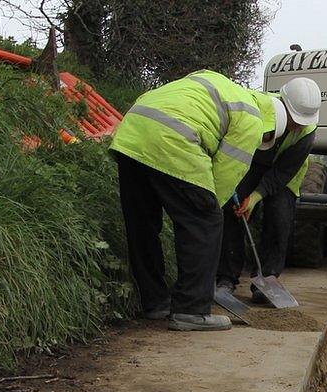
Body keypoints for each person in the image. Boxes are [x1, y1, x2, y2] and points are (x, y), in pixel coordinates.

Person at [109, 69, 276, 331]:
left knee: (143, 224)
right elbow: (219, 183)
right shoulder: (253, 120)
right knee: (206, 221)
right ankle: (192, 309)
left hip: (132, 133)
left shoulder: (222, 87)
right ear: (271, 127)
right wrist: (207, 229)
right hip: (172, 137)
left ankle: (155, 302)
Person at [216, 78, 321, 304]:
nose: (298, 126)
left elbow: (282, 173)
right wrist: (245, 196)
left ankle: (266, 276)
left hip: (285, 172)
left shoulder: (307, 133)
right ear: (283, 103)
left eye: (303, 122)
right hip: (250, 163)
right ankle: (226, 277)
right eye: (295, 120)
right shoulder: (260, 110)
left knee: (280, 216)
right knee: (233, 210)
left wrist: (256, 196)